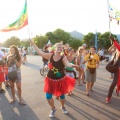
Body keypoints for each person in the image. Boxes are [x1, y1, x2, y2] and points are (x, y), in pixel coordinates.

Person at [29, 39, 79, 118]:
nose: (59, 48)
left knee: (62, 96)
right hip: (50, 79)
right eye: (57, 47)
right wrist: (33, 44)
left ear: (62, 49)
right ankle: (53, 108)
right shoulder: (50, 55)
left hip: (61, 80)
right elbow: (39, 52)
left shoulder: (63, 57)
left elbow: (68, 64)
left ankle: (62, 107)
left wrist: (73, 66)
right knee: (48, 96)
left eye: (60, 47)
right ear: (54, 48)